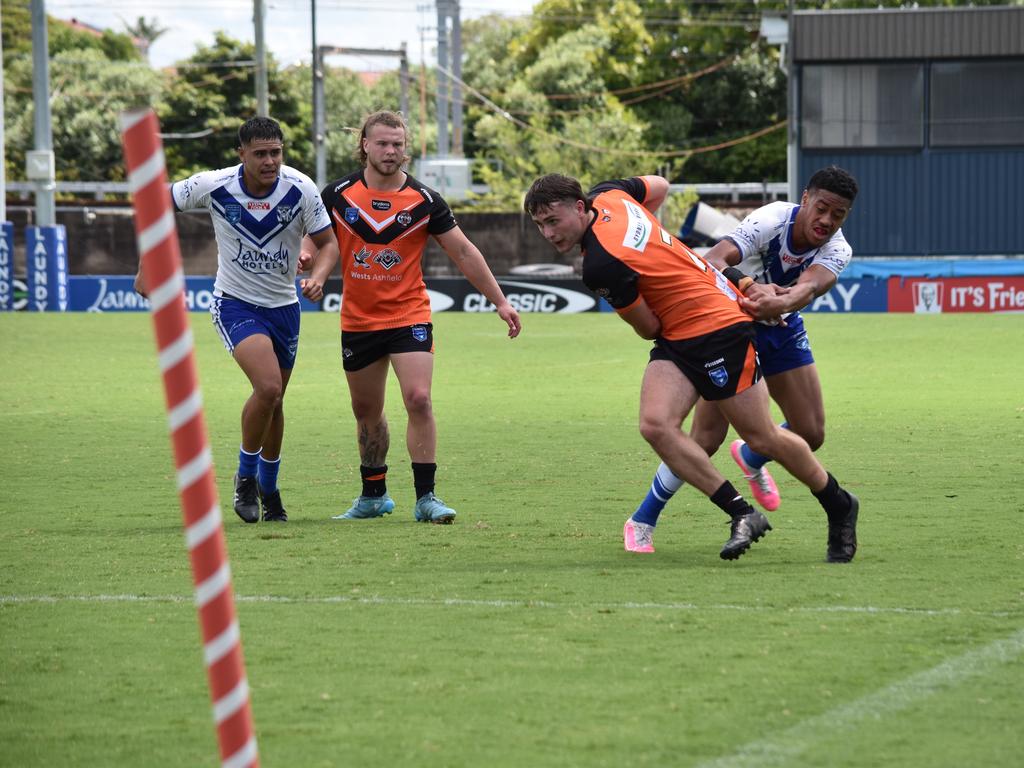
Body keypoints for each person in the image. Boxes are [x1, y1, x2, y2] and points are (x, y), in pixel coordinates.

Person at [524, 172, 859, 562]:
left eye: (554, 221)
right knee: (656, 425)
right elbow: (660, 186)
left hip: (713, 325)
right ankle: (742, 513)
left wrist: (645, 262)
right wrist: (650, 242)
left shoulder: (599, 266)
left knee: (764, 436)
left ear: (580, 207)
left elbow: (647, 326)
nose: (549, 233)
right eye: (540, 226)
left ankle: (839, 503)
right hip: (686, 328)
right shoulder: (610, 194)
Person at [629, 167, 859, 560]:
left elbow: (811, 287)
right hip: (727, 328)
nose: (827, 221)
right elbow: (713, 260)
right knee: (704, 439)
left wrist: (780, 302)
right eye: (821, 208)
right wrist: (751, 286)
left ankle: (752, 456)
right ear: (805, 199)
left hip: (781, 329)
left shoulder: (838, 248)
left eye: (837, 215)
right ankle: (642, 520)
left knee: (810, 432)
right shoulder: (772, 219)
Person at [305, 110, 521, 524]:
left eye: (398, 144)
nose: (391, 151)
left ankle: (427, 498)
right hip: (358, 319)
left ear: (407, 148)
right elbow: (314, 238)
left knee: (418, 399)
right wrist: (307, 257)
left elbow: (463, 251)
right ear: (365, 145)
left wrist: (500, 301)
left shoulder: (425, 200)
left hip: (409, 314)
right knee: (366, 410)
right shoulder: (337, 194)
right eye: (382, 143)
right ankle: (373, 495)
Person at [134, 116, 340, 524]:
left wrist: (317, 276)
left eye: (276, 152)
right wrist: (146, 267)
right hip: (236, 304)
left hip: (285, 308)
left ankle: (270, 489)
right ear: (241, 153)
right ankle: (245, 478)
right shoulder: (214, 184)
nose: (270, 161)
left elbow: (329, 242)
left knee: (276, 401)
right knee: (267, 388)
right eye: (260, 153)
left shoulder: (300, 188)